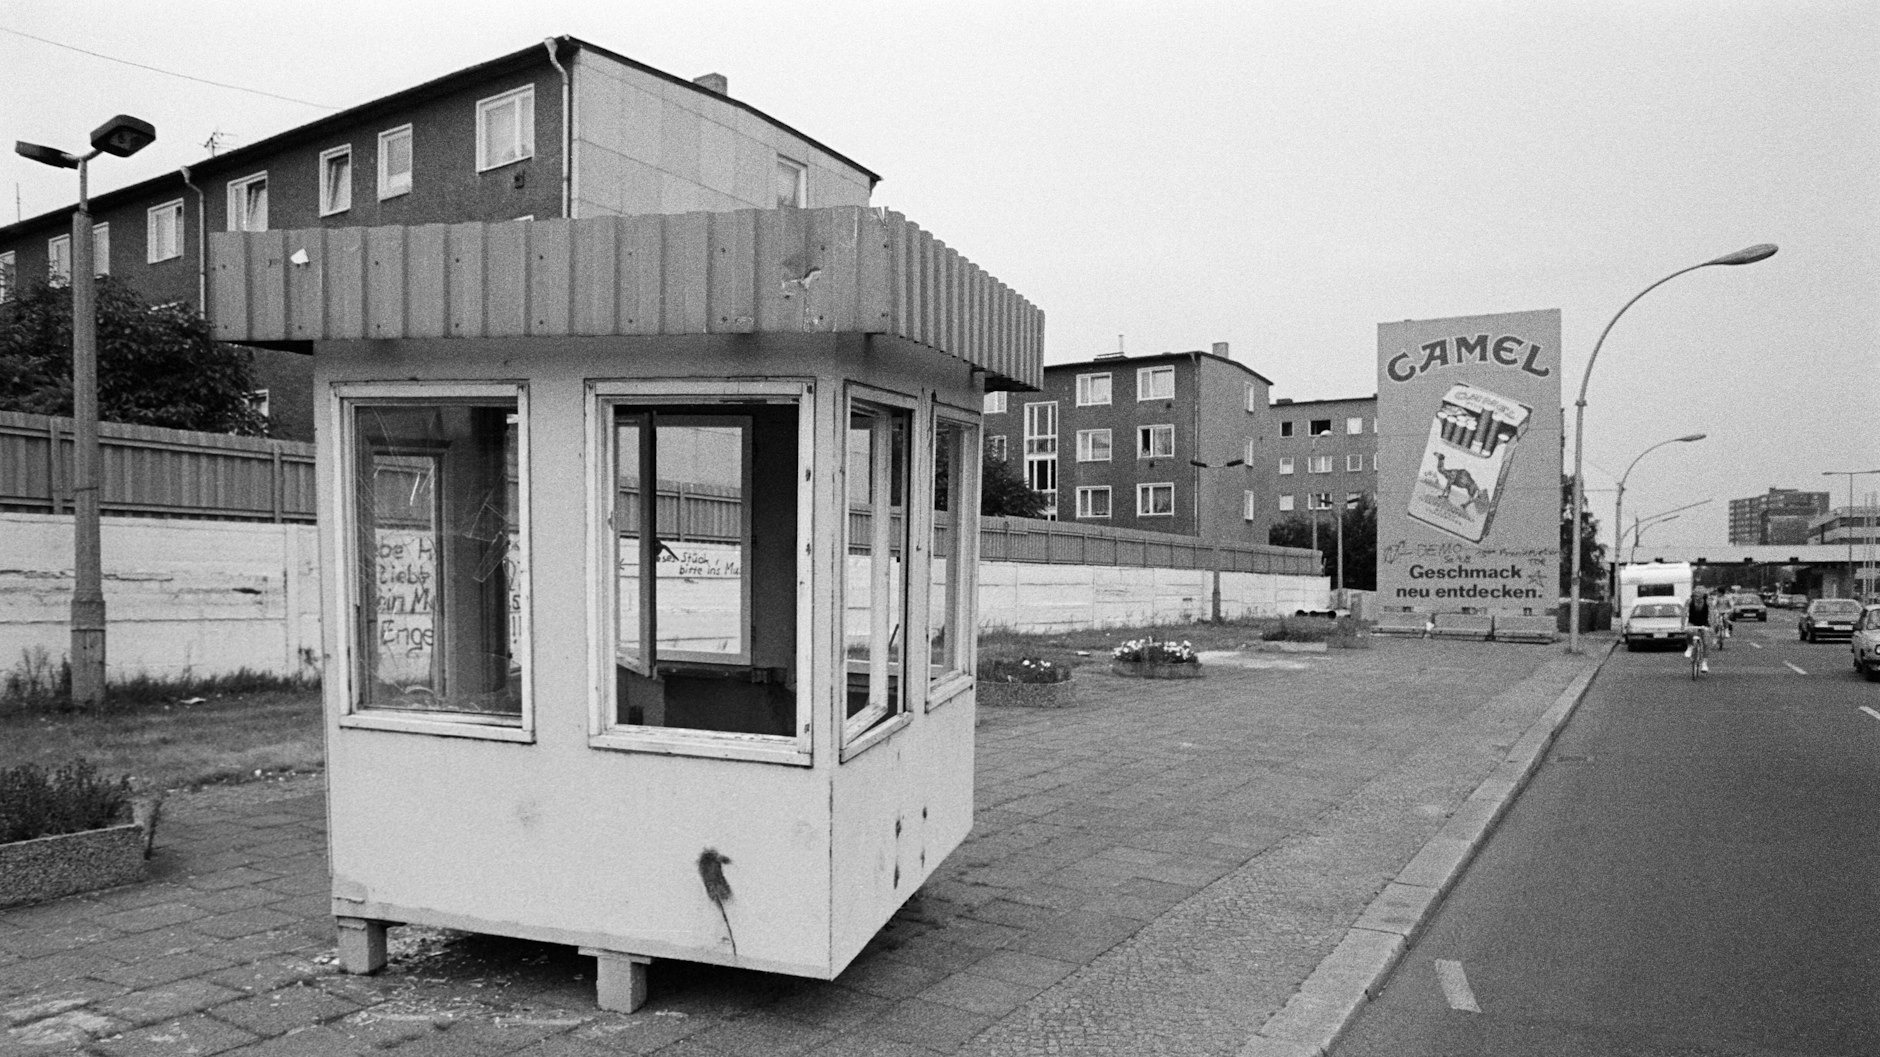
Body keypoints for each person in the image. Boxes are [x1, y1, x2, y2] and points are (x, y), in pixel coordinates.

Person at [1685, 588, 1712, 673]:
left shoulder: (1707, 602)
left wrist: (1712, 625)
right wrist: (1683, 625)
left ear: (1703, 595)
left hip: (1704, 623)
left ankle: (1704, 663)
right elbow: (1684, 612)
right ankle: (1689, 646)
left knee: (1706, 642)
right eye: (1696, 594)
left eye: (1699, 594)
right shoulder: (1689, 601)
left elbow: (1712, 613)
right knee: (1689, 632)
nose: (1697, 596)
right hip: (1692, 622)